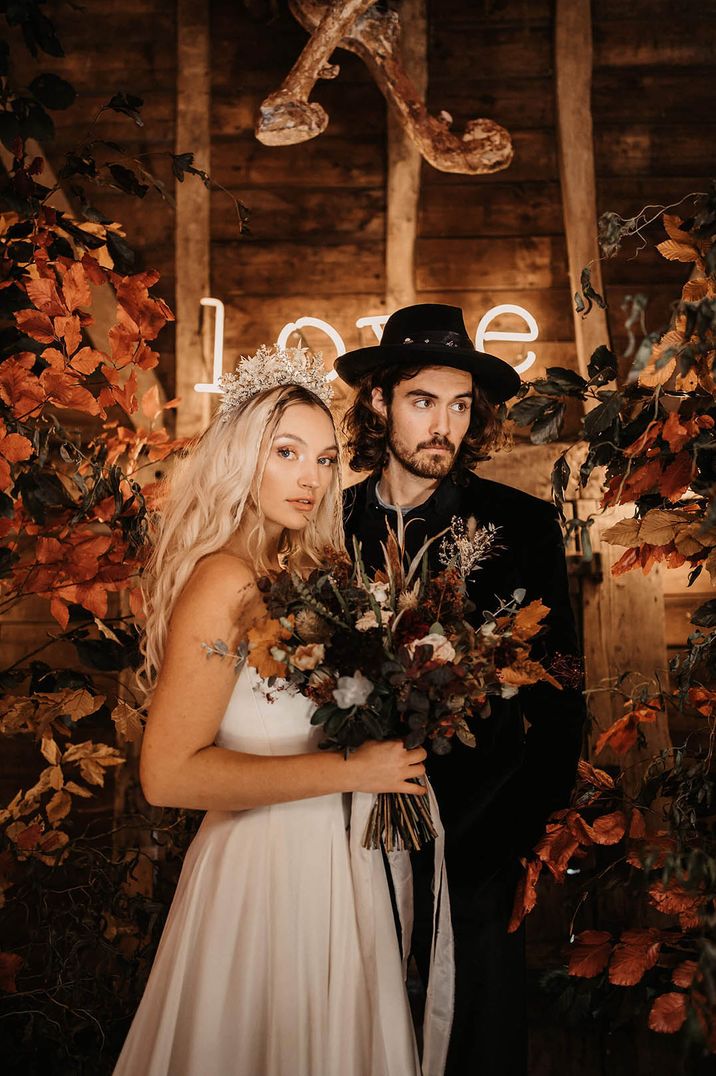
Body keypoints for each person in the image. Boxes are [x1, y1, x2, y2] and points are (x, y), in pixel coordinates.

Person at [113, 345, 430, 1076]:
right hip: (262, 879)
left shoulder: (301, 577)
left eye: (325, 460)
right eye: (287, 452)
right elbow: (167, 776)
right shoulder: (222, 578)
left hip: (335, 867)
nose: (311, 478)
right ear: (242, 458)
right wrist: (354, 769)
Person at [337, 304, 587, 1076]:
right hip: (341, 833)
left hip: (479, 838)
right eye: (423, 401)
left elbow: (562, 693)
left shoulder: (522, 525)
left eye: (459, 404)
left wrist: (511, 840)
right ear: (379, 402)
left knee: (478, 1043)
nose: (443, 423)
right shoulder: (324, 521)